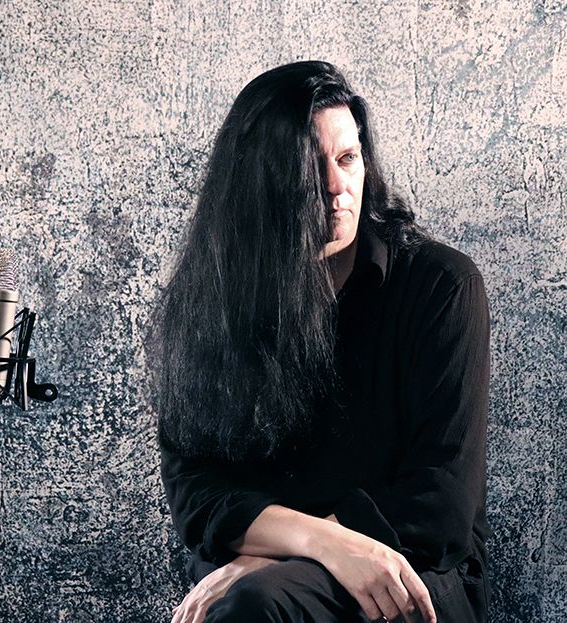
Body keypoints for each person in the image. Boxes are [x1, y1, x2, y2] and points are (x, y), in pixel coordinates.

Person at [147, 60, 491, 623]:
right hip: (268, 576)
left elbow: (440, 504)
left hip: (412, 570)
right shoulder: (210, 302)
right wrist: (317, 543)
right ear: (259, 180)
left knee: (253, 601)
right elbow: (197, 495)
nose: (336, 187)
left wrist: (267, 558)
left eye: (348, 158)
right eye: (310, 166)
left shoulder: (442, 287)